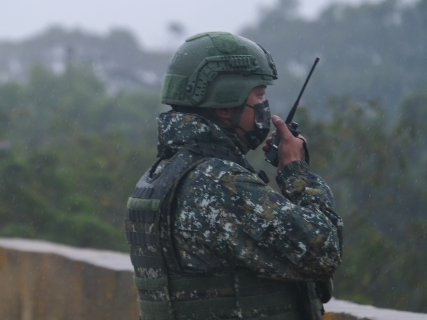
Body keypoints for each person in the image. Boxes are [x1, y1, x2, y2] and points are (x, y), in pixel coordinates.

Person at [125, 32, 342, 320]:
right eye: (260, 95)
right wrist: (295, 171)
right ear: (225, 105)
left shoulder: (158, 177)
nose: (265, 107)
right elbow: (321, 250)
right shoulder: (219, 184)